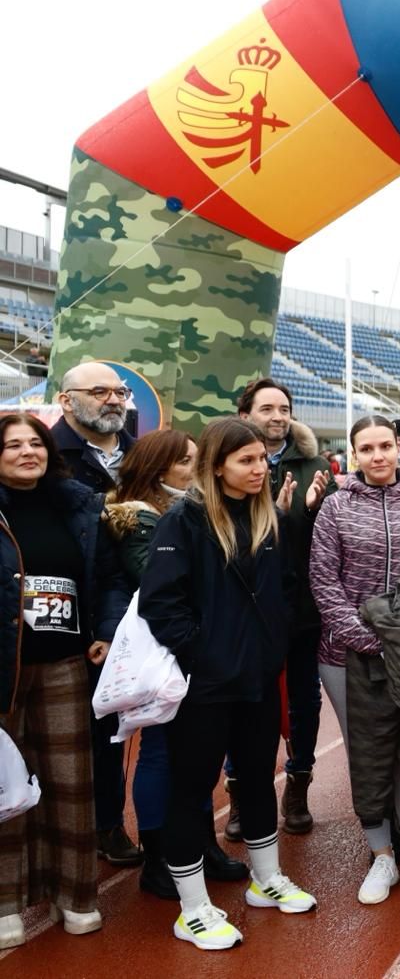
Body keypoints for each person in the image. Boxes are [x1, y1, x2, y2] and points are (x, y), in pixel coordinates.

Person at [141, 419, 320, 950]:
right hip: (205, 686)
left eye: (263, 459)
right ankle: (192, 908)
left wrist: (271, 647)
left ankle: (267, 880)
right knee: (192, 788)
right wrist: (207, 652)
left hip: (259, 680)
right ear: (216, 465)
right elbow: (160, 603)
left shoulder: (273, 521)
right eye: (246, 460)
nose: (259, 469)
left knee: (259, 780)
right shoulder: (185, 522)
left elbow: (288, 588)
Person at [310, 415, 400, 905]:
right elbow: (323, 579)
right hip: (345, 656)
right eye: (366, 448)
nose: (378, 456)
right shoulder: (334, 509)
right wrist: (360, 635)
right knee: (367, 753)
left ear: (399, 448)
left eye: (385, 446)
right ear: (354, 454)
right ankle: (381, 856)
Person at [0, 414, 131, 950]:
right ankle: (5, 902)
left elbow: (110, 578)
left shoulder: (79, 503)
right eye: (12, 445)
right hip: (3, 664)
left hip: (65, 662)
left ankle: (77, 896)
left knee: (71, 783)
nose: (27, 451)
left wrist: (104, 629)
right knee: (5, 787)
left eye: (35, 443)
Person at [102, 429, 240, 903]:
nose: (195, 469)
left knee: (198, 752)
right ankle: (160, 856)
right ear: (159, 468)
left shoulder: (196, 510)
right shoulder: (142, 517)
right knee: (161, 751)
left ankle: (200, 846)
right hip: (167, 652)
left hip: (195, 650)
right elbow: (159, 582)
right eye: (186, 462)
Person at [51, 361, 141, 867]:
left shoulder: (141, 454)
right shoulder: (46, 456)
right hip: (64, 616)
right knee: (59, 735)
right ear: (67, 401)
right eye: (100, 391)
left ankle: (108, 825)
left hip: (133, 615)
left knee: (113, 731)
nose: (113, 399)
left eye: (120, 391)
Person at [235, 378, 333, 838]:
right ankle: (242, 795)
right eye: (267, 408)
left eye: (284, 408)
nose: (277, 416)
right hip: (245, 608)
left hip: (301, 607)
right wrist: (271, 512)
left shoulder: (315, 465)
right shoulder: (229, 465)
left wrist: (311, 511)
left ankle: (298, 786)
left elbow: (327, 539)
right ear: (245, 416)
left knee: (304, 700)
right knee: (246, 698)